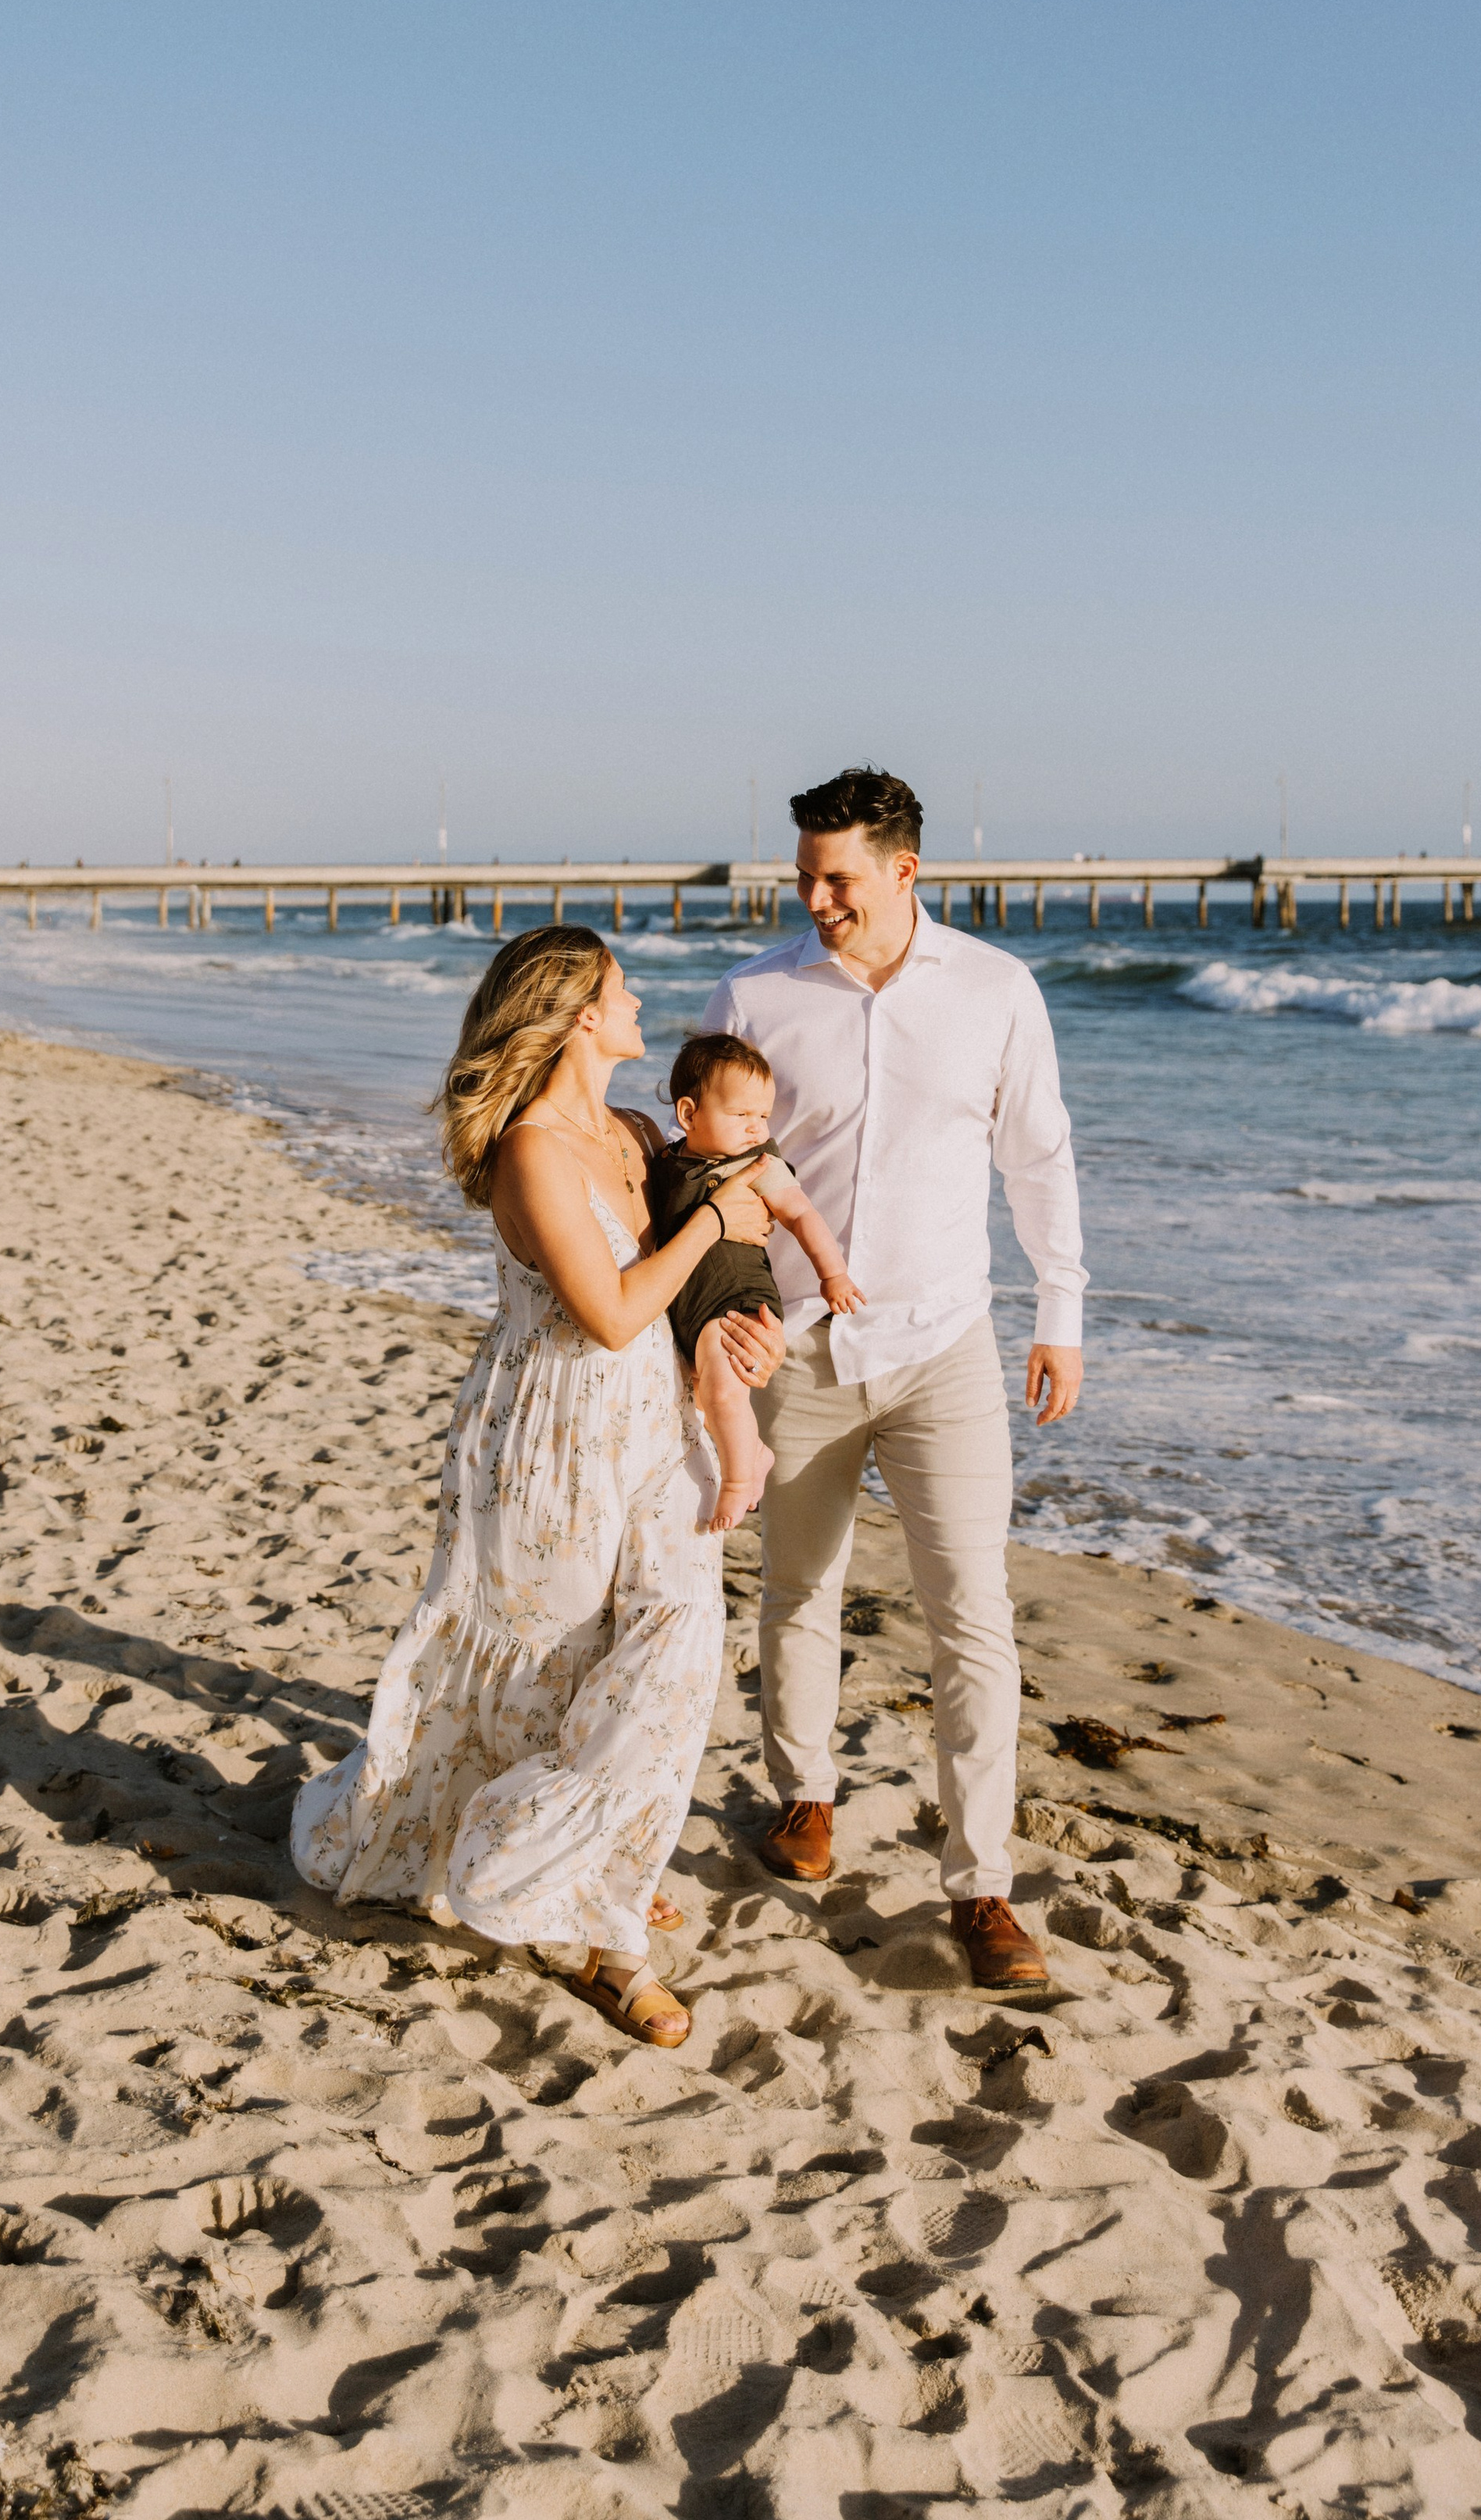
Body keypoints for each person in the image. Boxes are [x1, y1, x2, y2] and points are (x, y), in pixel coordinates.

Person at [290, 924, 783, 2049]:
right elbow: (609, 1311)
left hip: (659, 1428)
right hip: (554, 1442)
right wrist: (713, 1215)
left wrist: (741, 1343)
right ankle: (576, 1877)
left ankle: (610, 1926)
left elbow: (686, 1294)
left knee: (675, 1652)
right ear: (575, 1016)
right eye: (622, 987)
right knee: (557, 1675)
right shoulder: (531, 1150)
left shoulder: (634, 1130)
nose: (642, 998)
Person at [701, 766, 1086, 1998]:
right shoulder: (756, 994)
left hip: (944, 1350)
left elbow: (1039, 1153)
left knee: (972, 1611)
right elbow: (717, 1179)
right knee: (798, 1589)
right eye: (805, 876)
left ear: (907, 870)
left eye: (840, 877)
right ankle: (806, 1798)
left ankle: (982, 1886)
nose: (817, 897)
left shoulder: (995, 992)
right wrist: (719, 1324)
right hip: (796, 1347)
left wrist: (1060, 1311)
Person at [646, 1031, 862, 1531]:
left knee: (724, 1392)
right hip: (685, 1302)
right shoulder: (667, 1161)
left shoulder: (758, 1164)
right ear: (688, 1115)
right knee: (700, 1394)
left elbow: (803, 1216)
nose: (756, 1127)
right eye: (741, 1115)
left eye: (762, 1116)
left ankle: (743, 1478)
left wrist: (833, 1275)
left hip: (737, 1297)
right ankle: (749, 1452)